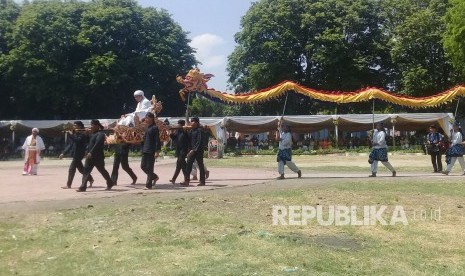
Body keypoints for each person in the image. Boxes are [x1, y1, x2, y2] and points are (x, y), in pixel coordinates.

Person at [77, 120, 114, 192]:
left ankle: (110, 182)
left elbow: (97, 144)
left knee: (102, 170)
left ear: (97, 126)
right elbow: (88, 143)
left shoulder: (100, 134)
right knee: (86, 171)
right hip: (89, 156)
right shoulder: (92, 134)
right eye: (91, 125)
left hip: (98, 157)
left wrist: (91, 152)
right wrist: (86, 134)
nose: (91, 126)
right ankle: (83, 186)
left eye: (92, 125)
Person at [59, 121, 94, 189]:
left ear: (80, 126)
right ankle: (90, 179)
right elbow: (70, 145)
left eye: (75, 125)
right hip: (74, 153)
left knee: (71, 169)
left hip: (79, 154)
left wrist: (71, 134)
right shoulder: (75, 134)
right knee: (81, 169)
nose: (74, 127)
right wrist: (63, 153)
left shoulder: (83, 133)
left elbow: (77, 140)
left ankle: (68, 185)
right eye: (74, 125)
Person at [182, 117, 206, 186]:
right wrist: (185, 131)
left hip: (198, 151)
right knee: (188, 165)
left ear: (197, 122)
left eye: (192, 121)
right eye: (191, 121)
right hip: (192, 150)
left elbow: (199, 141)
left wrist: (194, 150)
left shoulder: (199, 130)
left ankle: (202, 181)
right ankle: (186, 181)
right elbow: (188, 140)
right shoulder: (191, 131)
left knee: (200, 165)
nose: (191, 123)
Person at [140, 112, 161, 189]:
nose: (145, 119)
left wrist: (157, 151)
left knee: (150, 167)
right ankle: (155, 177)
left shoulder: (155, 128)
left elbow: (157, 140)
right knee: (143, 166)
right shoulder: (147, 128)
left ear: (151, 118)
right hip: (145, 150)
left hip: (151, 150)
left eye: (147, 118)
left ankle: (148, 185)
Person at [169, 119, 189, 184]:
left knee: (181, 165)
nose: (178, 125)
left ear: (182, 125)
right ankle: (174, 179)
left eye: (179, 124)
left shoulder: (184, 131)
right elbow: (173, 137)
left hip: (183, 151)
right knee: (180, 166)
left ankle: (186, 180)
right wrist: (171, 131)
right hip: (178, 151)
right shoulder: (177, 131)